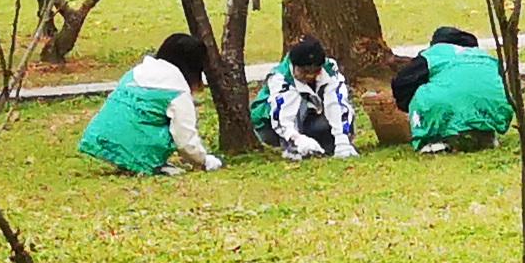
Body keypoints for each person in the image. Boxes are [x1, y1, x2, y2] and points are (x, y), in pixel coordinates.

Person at [76, 33, 222, 176]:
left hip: (98, 140)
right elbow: (184, 139)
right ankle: (145, 163)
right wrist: (204, 160)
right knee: (173, 125)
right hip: (134, 151)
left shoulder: (136, 72)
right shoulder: (177, 90)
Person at [395, 27, 513, 151]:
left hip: (446, 111)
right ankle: (483, 134)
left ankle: (440, 138)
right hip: (493, 113)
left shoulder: (434, 54)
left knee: (421, 92)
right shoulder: (487, 58)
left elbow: (401, 84)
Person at [253, 37, 359, 161]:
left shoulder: (329, 69)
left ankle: (328, 146)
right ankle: (293, 149)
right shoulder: (281, 78)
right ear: (294, 66)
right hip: (270, 126)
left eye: (316, 71)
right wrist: (297, 139)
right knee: (300, 103)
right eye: (304, 71)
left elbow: (337, 103)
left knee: (341, 112)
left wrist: (342, 140)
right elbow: (282, 118)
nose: (310, 76)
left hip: (310, 119)